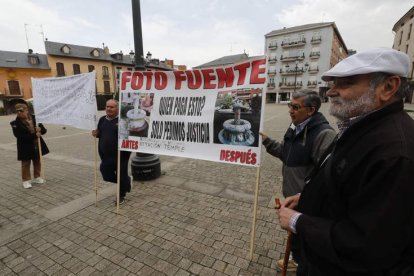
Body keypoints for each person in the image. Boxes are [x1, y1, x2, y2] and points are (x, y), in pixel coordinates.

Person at [278, 48, 414, 275]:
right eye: (332, 84)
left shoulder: (395, 154)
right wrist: (308, 197)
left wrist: (297, 222)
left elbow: (368, 244)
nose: (330, 92)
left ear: (388, 87)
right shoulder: (361, 125)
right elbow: (350, 187)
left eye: (345, 84)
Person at [260, 90, 336, 274]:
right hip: (292, 196)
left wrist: (304, 196)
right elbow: (286, 154)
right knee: (294, 235)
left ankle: (303, 265)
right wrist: (267, 141)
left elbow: (328, 177)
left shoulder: (324, 134)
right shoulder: (295, 126)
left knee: (305, 238)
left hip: (307, 201)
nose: (290, 110)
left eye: (295, 107)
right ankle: (296, 259)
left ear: (310, 110)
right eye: (289, 105)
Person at [92, 99, 132, 205]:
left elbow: (132, 136)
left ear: (117, 108)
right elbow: (101, 134)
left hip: (121, 155)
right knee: (106, 174)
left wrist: (123, 130)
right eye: (107, 106)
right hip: (105, 155)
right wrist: (96, 133)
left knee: (121, 175)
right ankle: (126, 182)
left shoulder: (123, 120)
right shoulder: (102, 120)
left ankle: (121, 195)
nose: (109, 109)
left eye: (112, 107)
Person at [10, 103, 49, 189]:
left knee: (37, 161)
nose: (19, 113)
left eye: (21, 111)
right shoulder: (14, 123)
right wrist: (35, 134)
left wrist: (40, 130)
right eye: (17, 111)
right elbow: (19, 136)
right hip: (25, 146)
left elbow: (44, 131)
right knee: (25, 164)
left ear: (27, 110)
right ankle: (26, 181)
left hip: (36, 144)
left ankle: (37, 177)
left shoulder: (35, 118)